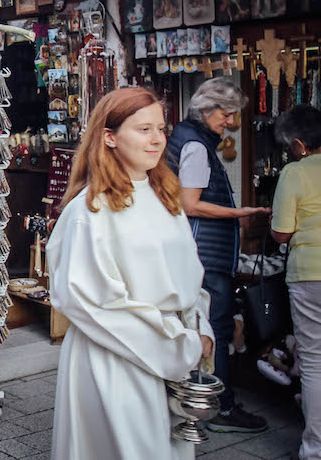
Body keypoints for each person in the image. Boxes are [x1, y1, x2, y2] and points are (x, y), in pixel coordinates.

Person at [47, 87, 214, 460]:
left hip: (172, 353)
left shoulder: (165, 198)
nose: (157, 139)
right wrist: (181, 345)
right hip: (115, 358)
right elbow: (94, 304)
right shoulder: (90, 211)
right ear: (109, 137)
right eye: (143, 130)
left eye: (161, 128)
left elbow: (189, 279)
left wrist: (201, 328)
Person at [166, 77, 271, 433]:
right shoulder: (196, 146)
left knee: (205, 325)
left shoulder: (187, 136)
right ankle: (221, 409)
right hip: (204, 252)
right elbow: (190, 205)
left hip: (197, 250)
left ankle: (200, 400)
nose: (229, 122)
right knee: (217, 327)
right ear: (207, 109)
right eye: (226, 115)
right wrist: (240, 214)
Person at [271, 105, 321, 460]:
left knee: (315, 361)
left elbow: (281, 233)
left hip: (310, 274)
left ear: (300, 144)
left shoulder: (295, 172)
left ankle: (314, 449)